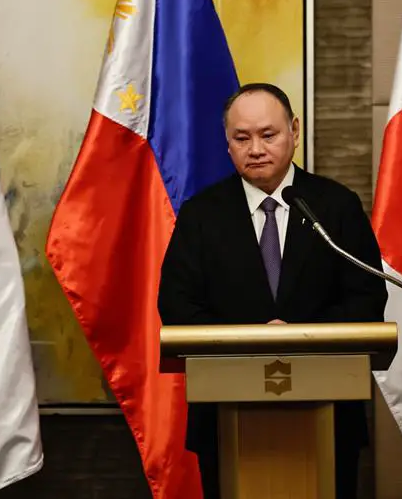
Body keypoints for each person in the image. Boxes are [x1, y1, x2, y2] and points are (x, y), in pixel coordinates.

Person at [157, 83, 387, 499]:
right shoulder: (202, 215)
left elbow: (367, 298)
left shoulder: (334, 206)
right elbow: (176, 305)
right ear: (227, 144)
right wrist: (253, 340)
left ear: (294, 132)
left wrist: (294, 334)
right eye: (242, 138)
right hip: (225, 411)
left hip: (329, 411)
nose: (256, 148)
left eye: (269, 134)